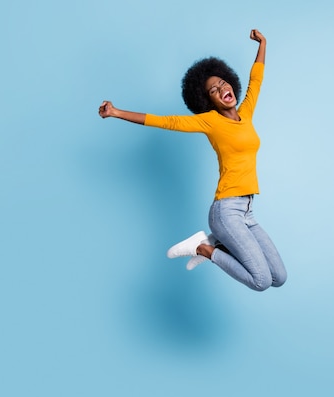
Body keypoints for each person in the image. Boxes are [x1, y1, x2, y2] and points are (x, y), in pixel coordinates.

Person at [98, 29, 286, 291]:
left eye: (222, 83)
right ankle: (205, 249)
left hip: (247, 211)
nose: (221, 88)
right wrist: (116, 112)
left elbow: (257, 80)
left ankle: (214, 243)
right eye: (213, 90)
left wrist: (263, 43)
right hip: (227, 210)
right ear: (207, 100)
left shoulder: (246, 113)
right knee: (262, 281)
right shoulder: (210, 122)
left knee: (279, 277)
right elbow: (168, 122)